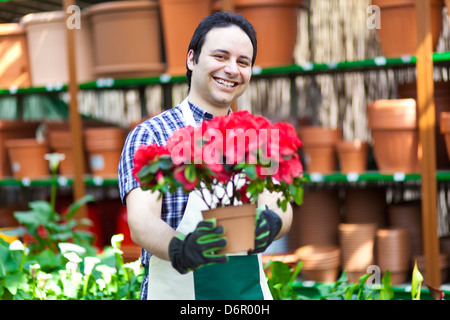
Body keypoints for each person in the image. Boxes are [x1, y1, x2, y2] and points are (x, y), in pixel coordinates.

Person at [118, 11, 293, 300]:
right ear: (192, 59)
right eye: (221, 56)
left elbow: (279, 208)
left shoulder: (257, 139)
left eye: (243, 62)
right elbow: (141, 221)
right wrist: (182, 249)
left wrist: (272, 222)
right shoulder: (153, 135)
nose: (232, 69)